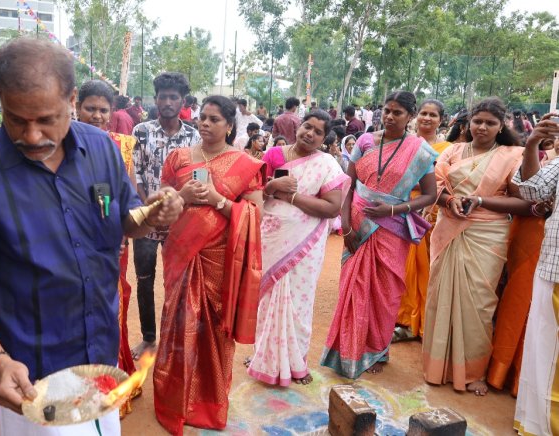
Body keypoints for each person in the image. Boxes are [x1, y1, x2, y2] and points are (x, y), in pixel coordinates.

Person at [0, 38, 183, 435]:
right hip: (32, 375)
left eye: (47, 119)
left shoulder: (101, 149)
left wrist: (152, 214)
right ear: (1, 101)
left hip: (99, 355)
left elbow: (124, 221)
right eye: (16, 119)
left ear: (70, 99)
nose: (32, 136)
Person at [154, 95, 264, 434]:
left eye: (214, 119)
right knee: (177, 325)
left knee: (213, 332)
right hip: (181, 252)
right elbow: (161, 200)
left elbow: (254, 215)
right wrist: (181, 197)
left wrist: (218, 200)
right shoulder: (179, 157)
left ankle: (206, 403)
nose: (205, 123)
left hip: (218, 260)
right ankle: (173, 400)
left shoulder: (245, 164)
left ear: (230, 126)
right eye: (202, 117)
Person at [320, 91, 438, 378]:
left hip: (391, 228)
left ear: (410, 116)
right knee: (353, 287)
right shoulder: (364, 141)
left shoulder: (419, 151)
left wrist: (395, 211)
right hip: (358, 223)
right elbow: (349, 184)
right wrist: (346, 224)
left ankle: (376, 350)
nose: (389, 116)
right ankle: (346, 350)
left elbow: (430, 195)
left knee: (385, 292)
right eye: (387, 110)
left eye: (397, 112)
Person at [423, 97, 531, 396]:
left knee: (479, 304)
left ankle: (474, 372)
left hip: (488, 232)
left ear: (501, 126)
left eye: (490, 122)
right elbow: (436, 188)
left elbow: (522, 201)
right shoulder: (454, 151)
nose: (482, 127)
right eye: (478, 121)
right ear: (468, 122)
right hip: (448, 227)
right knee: (440, 297)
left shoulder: (512, 155)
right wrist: (448, 201)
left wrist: (480, 201)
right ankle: (438, 366)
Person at [247, 110, 348, 386]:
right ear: (299, 125)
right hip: (272, 237)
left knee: (300, 303)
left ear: (324, 138)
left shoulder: (327, 164)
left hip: (305, 243)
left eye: (317, 131)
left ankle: (296, 363)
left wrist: (290, 195)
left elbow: (331, 208)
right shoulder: (274, 155)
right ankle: (263, 355)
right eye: (307, 126)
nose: (310, 134)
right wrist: (272, 186)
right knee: (266, 299)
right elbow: (253, 190)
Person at [75, 79, 140, 417]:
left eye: (103, 110)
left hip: (113, 238)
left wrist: (124, 231)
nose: (97, 116)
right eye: (91, 109)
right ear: (76, 106)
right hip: (71, 239)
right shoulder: (62, 143)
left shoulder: (122, 145)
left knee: (113, 301)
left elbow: (126, 195)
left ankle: (114, 379)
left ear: (113, 113)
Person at [131, 72, 200, 360]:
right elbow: (134, 175)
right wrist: (147, 211)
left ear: (182, 101)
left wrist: (180, 208)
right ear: (156, 99)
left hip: (181, 223)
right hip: (147, 221)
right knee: (145, 280)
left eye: (174, 97)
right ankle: (149, 338)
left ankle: (174, 341)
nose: (168, 102)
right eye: (163, 96)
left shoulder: (193, 136)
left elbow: (198, 178)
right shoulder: (141, 131)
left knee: (179, 283)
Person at [511, 115, 559, 435]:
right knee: (545, 348)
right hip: (555, 268)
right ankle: (540, 425)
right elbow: (530, 191)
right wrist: (531, 145)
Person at [394, 99, 451, 342]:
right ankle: (403, 320)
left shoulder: (448, 149)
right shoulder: (405, 143)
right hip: (399, 208)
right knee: (403, 267)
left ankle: (423, 322)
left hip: (430, 210)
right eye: (424, 114)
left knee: (425, 267)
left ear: (441, 119)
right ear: (416, 116)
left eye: (433, 115)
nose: (427, 119)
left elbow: (444, 181)